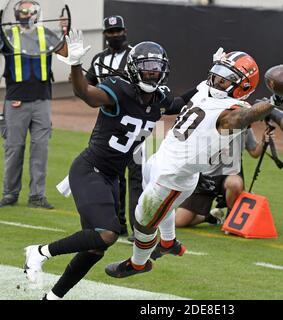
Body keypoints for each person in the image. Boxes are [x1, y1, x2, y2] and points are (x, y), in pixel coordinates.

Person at [23, 29, 194, 300]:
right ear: (134, 70)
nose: (151, 73)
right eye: (146, 68)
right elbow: (86, 94)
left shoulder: (158, 99)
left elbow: (179, 103)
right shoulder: (119, 90)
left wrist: (210, 84)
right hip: (90, 169)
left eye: (156, 68)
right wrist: (76, 64)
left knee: (95, 248)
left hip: (111, 177)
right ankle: (40, 251)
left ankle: (53, 298)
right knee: (108, 234)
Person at [105, 48, 283, 278]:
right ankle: (169, 242)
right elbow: (206, 85)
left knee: (143, 219)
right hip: (163, 158)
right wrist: (219, 67)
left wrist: (273, 102)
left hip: (175, 176)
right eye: (218, 73)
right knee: (153, 192)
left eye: (225, 79)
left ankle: (138, 263)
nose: (216, 80)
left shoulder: (233, 111)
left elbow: (243, 117)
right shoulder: (208, 90)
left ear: (241, 87)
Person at [0, 0, 67, 209]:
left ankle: (37, 196)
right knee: (14, 148)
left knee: (41, 150)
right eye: (22, 9)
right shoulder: (8, 33)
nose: (25, 12)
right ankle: (10, 194)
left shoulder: (45, 33)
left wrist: (65, 31)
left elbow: (64, 53)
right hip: (16, 99)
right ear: (16, 12)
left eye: (29, 9)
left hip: (42, 100)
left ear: (36, 13)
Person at [85, 15, 136, 238]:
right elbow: (88, 87)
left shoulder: (135, 54)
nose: (116, 35)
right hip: (109, 124)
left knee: (137, 176)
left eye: (119, 31)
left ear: (125, 31)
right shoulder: (98, 60)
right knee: (111, 175)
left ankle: (138, 228)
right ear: (105, 34)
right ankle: (117, 222)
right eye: (111, 32)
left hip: (135, 123)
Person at [175, 127, 275, 228]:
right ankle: (212, 217)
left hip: (230, 175)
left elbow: (254, 152)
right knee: (179, 221)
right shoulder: (208, 123)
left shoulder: (244, 125)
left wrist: (263, 141)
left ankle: (232, 218)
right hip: (205, 177)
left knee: (234, 183)